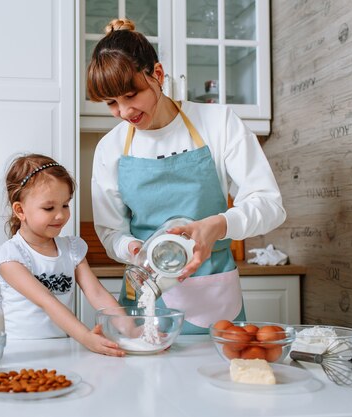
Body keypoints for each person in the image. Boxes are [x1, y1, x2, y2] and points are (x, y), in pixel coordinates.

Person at [87, 19, 286, 334]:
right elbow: (111, 232)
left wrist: (218, 225)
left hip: (213, 297)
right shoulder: (110, 148)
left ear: (158, 74)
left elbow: (269, 205)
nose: (124, 112)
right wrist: (136, 250)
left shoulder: (218, 123)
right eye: (112, 103)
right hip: (144, 295)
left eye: (130, 95)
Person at [0, 153, 125, 356]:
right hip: (21, 352)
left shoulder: (72, 248)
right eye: (49, 208)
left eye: (65, 204)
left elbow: (97, 293)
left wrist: (134, 332)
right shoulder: (11, 256)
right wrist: (86, 338)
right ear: (20, 210)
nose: (61, 215)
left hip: (64, 349)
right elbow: (47, 301)